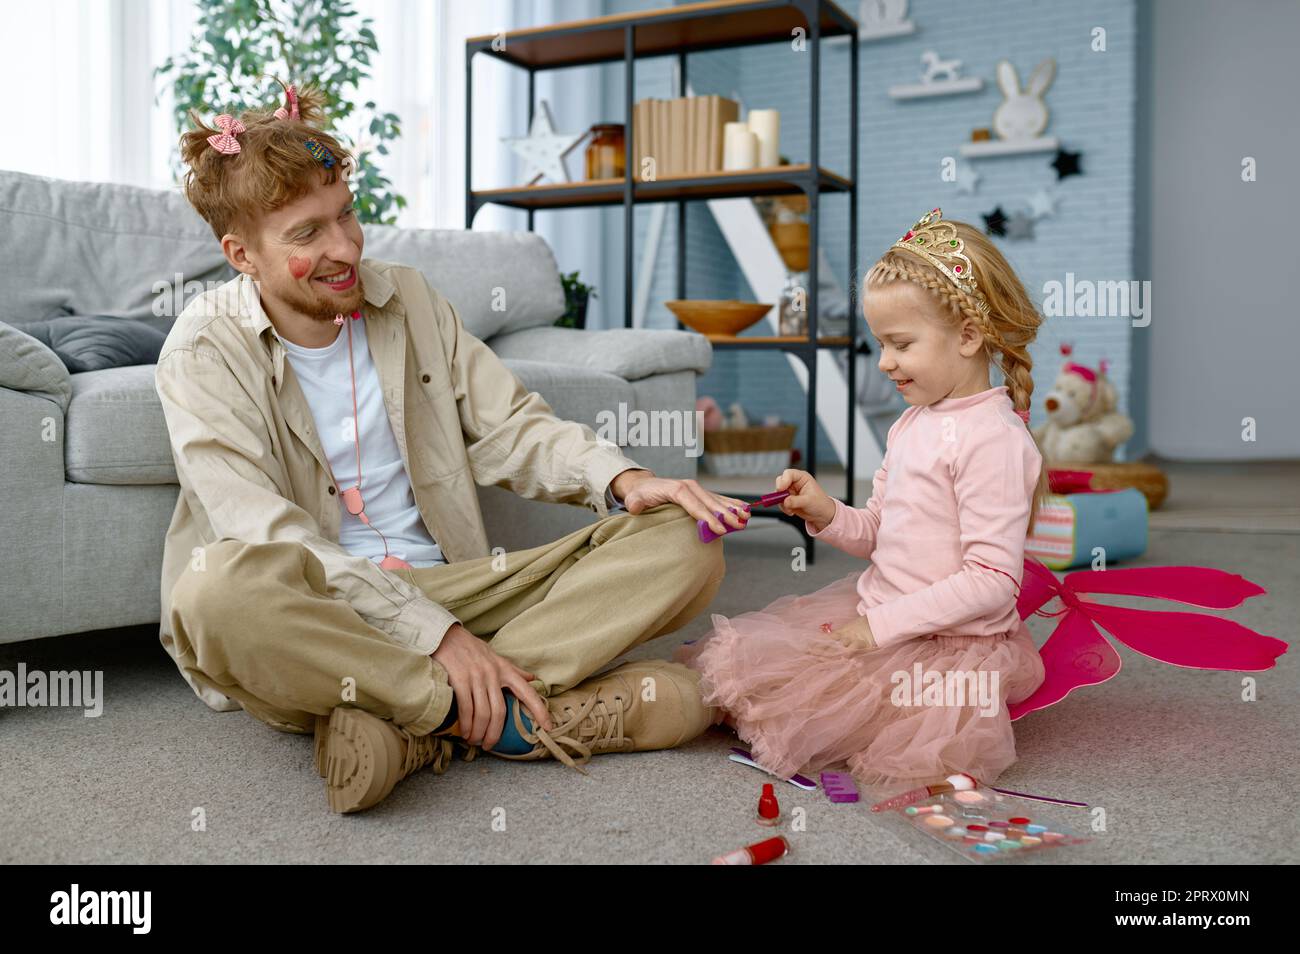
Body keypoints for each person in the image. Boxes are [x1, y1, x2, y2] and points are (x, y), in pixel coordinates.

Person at [157, 80, 751, 813]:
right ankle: (503, 710)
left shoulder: (405, 297)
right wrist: (436, 639)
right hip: (323, 604)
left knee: (686, 539)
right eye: (307, 234)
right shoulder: (203, 347)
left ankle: (414, 727)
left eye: (346, 215)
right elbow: (263, 533)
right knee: (213, 592)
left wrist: (624, 478)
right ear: (241, 254)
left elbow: (509, 426)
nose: (344, 248)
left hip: (460, 587)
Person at [676, 208, 1050, 790]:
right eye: (879, 343)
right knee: (746, 670)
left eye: (901, 344)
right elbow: (878, 530)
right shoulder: (912, 423)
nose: (884, 362)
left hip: (945, 643)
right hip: (882, 611)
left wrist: (880, 631)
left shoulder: (994, 439)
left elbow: (992, 580)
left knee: (808, 712)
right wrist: (828, 513)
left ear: (970, 336)